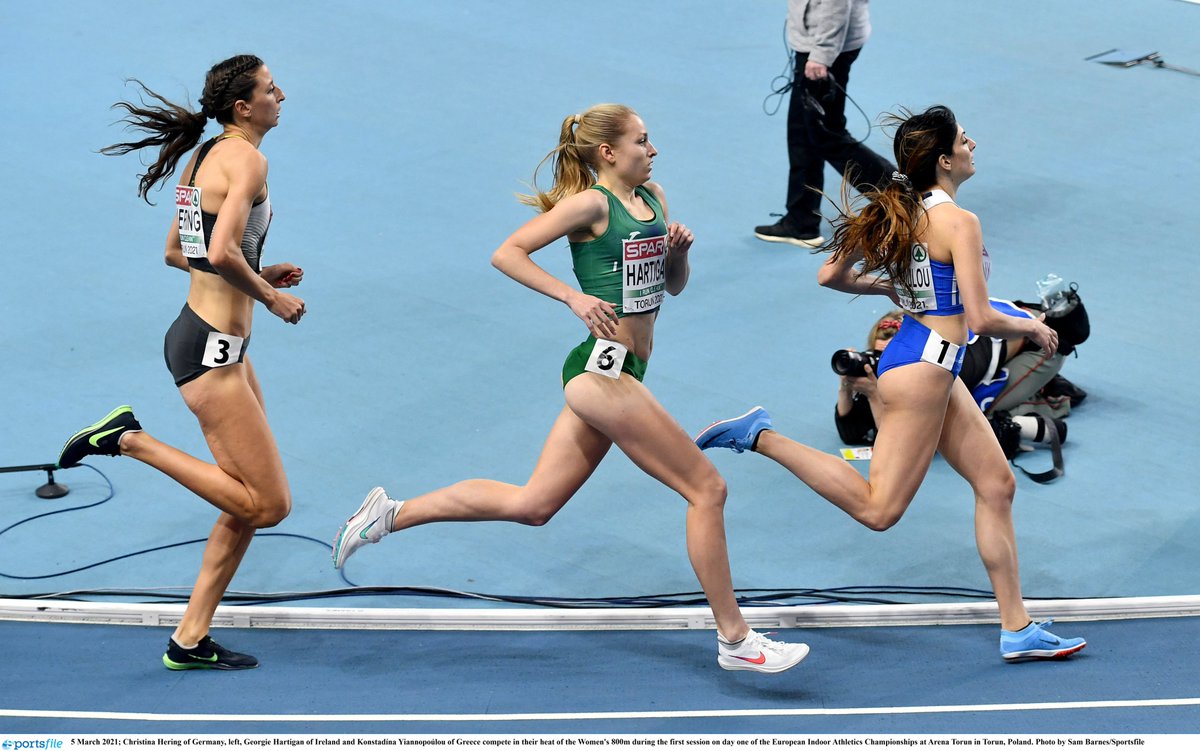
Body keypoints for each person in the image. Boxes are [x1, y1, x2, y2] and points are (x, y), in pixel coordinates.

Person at [331, 104, 809, 674]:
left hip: (626, 370)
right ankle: (736, 641)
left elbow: (671, 290)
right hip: (599, 373)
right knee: (707, 490)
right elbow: (506, 252)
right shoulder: (590, 204)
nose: (652, 150)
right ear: (608, 152)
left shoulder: (654, 196)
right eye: (642, 140)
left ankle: (388, 515)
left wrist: (678, 255)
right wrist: (572, 297)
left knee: (534, 505)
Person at [699, 105, 1086, 662]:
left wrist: (888, 291)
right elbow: (979, 320)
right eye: (963, 139)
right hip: (922, 371)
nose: (973, 143)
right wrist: (1032, 324)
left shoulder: (898, 212)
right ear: (945, 159)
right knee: (879, 510)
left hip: (929, 361)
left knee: (998, 485)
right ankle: (759, 436)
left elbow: (829, 275)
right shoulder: (959, 222)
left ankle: (1017, 627)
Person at [57, 54, 304, 671]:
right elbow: (220, 250)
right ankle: (129, 440)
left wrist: (255, 273)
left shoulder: (204, 159)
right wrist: (271, 296)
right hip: (209, 354)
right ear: (243, 107)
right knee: (270, 506)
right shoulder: (248, 159)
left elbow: (180, 253)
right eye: (271, 89)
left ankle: (188, 639)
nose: (283, 95)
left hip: (216, 342)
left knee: (242, 501)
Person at [754, 0, 895, 248]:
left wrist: (822, 54)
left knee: (825, 135)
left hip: (825, 48)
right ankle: (802, 220)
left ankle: (899, 194)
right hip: (821, 41)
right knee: (803, 132)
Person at [834, 303, 1071, 447]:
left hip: (1042, 348)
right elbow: (850, 433)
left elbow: (898, 443)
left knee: (977, 413)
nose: (882, 361)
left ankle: (1052, 399)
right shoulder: (887, 370)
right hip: (999, 352)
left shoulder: (943, 365)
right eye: (877, 354)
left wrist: (875, 395)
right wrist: (846, 385)